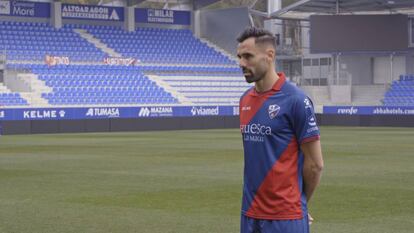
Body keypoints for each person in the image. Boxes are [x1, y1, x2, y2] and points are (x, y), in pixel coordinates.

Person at [237, 27, 324, 233]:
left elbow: (315, 165)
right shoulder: (244, 100)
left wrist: (300, 204)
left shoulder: (296, 100)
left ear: (270, 55)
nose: (241, 63)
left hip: (285, 218)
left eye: (248, 56)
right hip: (249, 213)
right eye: (239, 56)